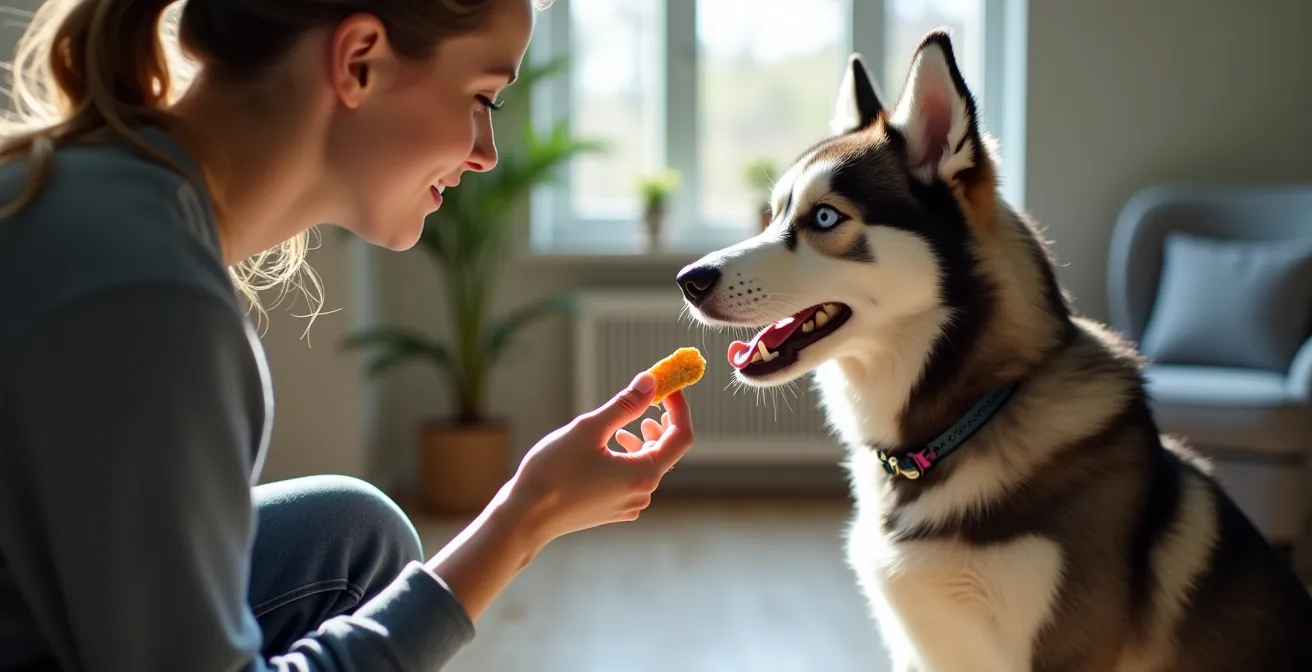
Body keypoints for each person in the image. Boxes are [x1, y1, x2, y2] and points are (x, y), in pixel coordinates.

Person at [0, 0, 695, 670]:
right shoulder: (145, 293)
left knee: (352, 537)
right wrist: (524, 519)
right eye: (483, 98)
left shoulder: (108, 205)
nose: (487, 153)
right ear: (359, 60)